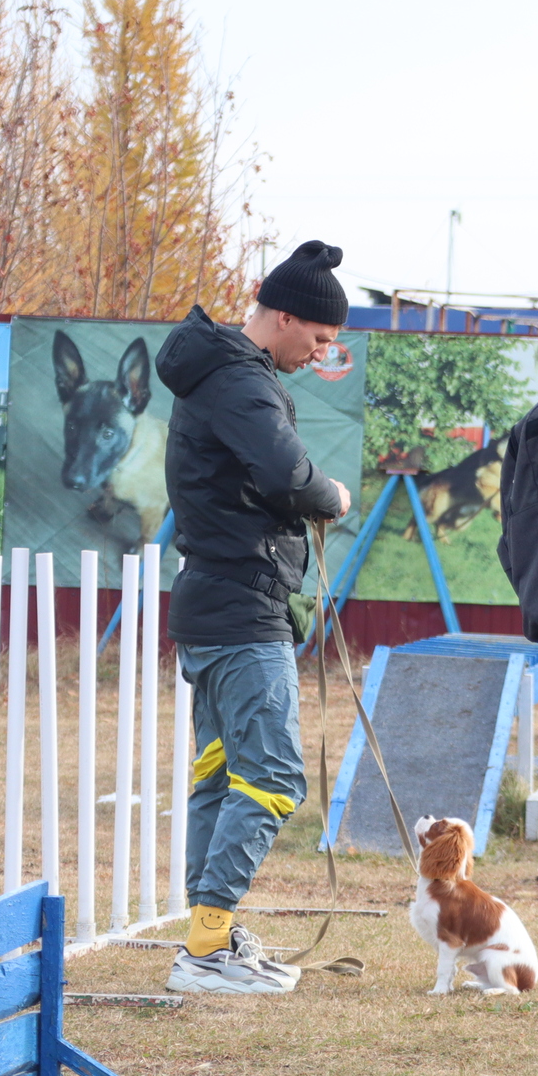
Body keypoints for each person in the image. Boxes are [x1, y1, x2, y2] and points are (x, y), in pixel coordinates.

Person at [158, 240, 354, 995]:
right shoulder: (241, 380)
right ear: (283, 315)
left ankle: (208, 939)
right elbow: (281, 469)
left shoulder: (220, 373)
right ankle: (207, 951)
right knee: (273, 777)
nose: (324, 352)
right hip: (241, 611)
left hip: (212, 606)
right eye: (320, 337)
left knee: (220, 774)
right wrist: (327, 493)